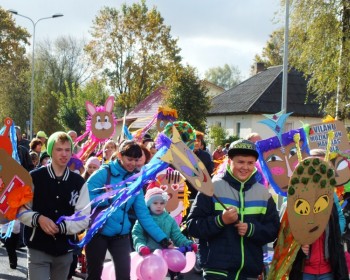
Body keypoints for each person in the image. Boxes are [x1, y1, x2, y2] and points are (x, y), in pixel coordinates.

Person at [186, 139, 280, 280]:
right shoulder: (212, 188)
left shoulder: (263, 193)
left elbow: (273, 230)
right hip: (217, 272)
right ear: (229, 161)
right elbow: (192, 226)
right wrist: (220, 221)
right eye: (240, 162)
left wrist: (251, 229)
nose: (245, 167)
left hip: (249, 273)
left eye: (250, 163)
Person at [85, 140, 172, 280]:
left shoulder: (135, 180)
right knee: (94, 276)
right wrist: (106, 198)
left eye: (136, 160)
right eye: (129, 159)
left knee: (125, 275)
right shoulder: (103, 173)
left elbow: (144, 214)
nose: (132, 163)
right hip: (98, 234)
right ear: (119, 155)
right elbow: (84, 198)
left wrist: (163, 239)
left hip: (121, 236)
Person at [18, 131, 91, 280]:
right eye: (59, 149)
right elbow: (21, 210)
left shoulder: (78, 182)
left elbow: (84, 217)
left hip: (65, 250)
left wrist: (64, 227)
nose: (64, 154)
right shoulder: (34, 177)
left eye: (67, 149)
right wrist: (38, 219)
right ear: (50, 151)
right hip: (38, 246)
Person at [288, 149, 348, 280]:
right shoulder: (294, 197)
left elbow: (340, 218)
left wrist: (335, 234)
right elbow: (284, 234)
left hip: (327, 268)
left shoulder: (330, 195)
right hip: (304, 269)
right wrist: (299, 244)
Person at [133, 187, 197, 280]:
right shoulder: (143, 220)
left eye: (162, 203)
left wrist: (188, 243)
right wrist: (141, 246)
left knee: (168, 276)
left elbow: (177, 235)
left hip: (166, 257)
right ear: (148, 204)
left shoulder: (169, 219)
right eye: (155, 203)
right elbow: (137, 235)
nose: (159, 206)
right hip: (148, 256)